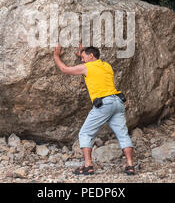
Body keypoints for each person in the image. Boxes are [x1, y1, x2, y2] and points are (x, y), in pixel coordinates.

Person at [52, 43, 135, 176]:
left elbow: (65, 69)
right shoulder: (107, 66)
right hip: (118, 102)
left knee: (85, 133)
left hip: (104, 103)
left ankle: (88, 166)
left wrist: (56, 56)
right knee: (123, 134)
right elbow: (93, 66)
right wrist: (83, 53)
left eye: (83, 57)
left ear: (91, 56)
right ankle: (130, 165)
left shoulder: (87, 67)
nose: (82, 60)